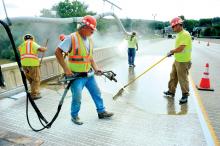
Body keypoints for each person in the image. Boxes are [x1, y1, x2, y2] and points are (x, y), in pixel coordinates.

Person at [55, 15, 114, 125]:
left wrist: (96, 69)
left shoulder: (90, 40)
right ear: (84, 27)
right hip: (76, 76)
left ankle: (101, 112)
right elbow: (57, 52)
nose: (93, 32)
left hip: (89, 75)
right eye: (91, 30)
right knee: (77, 97)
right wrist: (66, 69)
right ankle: (74, 116)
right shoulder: (71, 38)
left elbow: (90, 57)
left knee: (97, 93)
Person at [164, 17, 192, 104]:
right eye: (172, 27)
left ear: (179, 25)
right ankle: (171, 91)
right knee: (173, 76)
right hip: (178, 60)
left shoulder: (185, 34)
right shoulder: (179, 34)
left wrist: (171, 51)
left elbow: (181, 48)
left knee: (182, 79)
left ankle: (185, 95)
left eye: (174, 27)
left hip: (183, 62)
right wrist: (173, 53)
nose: (173, 28)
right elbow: (179, 48)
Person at [18, 34, 47, 100]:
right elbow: (41, 49)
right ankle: (34, 94)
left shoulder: (22, 45)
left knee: (31, 79)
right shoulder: (32, 43)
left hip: (24, 65)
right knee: (36, 79)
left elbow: (21, 51)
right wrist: (45, 48)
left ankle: (34, 91)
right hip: (32, 65)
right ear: (32, 38)